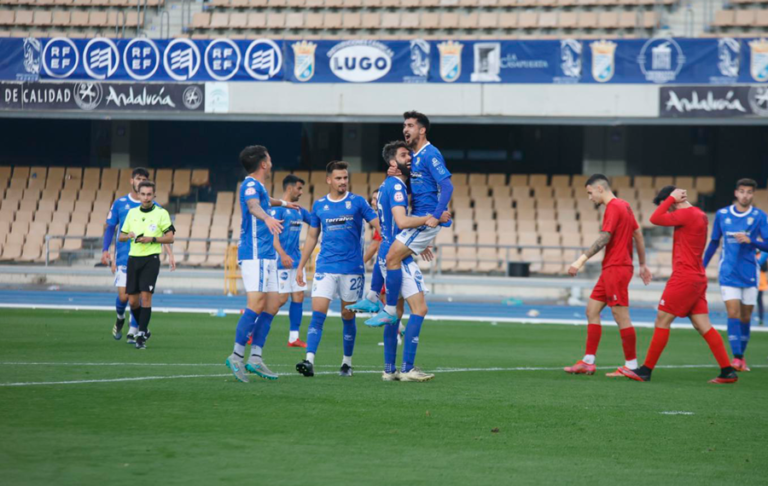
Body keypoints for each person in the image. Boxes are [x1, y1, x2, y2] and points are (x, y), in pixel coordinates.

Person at [619, 186, 738, 384]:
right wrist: (671, 200)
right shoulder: (699, 214)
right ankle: (727, 371)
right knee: (703, 326)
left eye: (670, 206)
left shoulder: (687, 214)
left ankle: (645, 371)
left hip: (684, 277)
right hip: (697, 277)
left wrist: (670, 199)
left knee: (662, 320)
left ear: (674, 202)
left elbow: (655, 219)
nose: (670, 212)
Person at [366, 141, 449, 381]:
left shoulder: (387, 184)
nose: (410, 158)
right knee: (419, 309)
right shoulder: (397, 186)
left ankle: (390, 370)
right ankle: (407, 369)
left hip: (390, 251)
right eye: (404, 155)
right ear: (393, 163)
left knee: (399, 312)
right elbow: (402, 222)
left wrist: (417, 242)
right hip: (397, 255)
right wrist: (431, 218)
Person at [366, 111, 453, 327]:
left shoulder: (430, 153)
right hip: (418, 219)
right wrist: (394, 171)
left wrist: (435, 216)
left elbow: (448, 185)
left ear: (422, 130)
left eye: (411, 125)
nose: (406, 129)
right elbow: (415, 184)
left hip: (425, 218)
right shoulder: (414, 156)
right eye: (404, 125)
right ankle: (374, 298)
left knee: (390, 254)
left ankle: (386, 307)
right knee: (386, 246)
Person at [294, 161, 380, 377]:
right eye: (339, 178)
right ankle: (309, 360)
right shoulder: (319, 205)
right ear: (329, 180)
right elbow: (312, 236)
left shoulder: (358, 202)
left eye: (345, 178)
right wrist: (301, 265)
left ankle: (346, 362)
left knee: (347, 315)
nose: (343, 181)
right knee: (318, 313)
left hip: (352, 269)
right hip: (326, 267)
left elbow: (378, 223)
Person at [224, 145, 300, 383]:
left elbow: (266, 201)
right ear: (264, 164)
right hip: (254, 254)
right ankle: (236, 356)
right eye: (270, 159)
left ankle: (255, 358)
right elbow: (254, 206)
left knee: (274, 304)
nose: (272, 163)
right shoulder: (249, 185)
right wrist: (267, 217)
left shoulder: (260, 188)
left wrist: (285, 205)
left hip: (267, 255)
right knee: (255, 304)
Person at [565, 174, 652, 376]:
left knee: (621, 316)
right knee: (591, 310)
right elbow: (637, 234)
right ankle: (588, 361)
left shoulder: (613, 207)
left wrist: (580, 261)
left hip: (617, 267)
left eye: (589, 193)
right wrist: (643, 264)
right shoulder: (625, 205)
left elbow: (605, 237)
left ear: (600, 189)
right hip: (613, 267)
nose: (589, 198)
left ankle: (631, 366)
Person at [102, 168, 175, 344]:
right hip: (124, 257)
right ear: (132, 181)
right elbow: (113, 229)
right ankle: (120, 317)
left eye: (144, 179)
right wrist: (107, 251)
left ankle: (136, 330)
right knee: (125, 297)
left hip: (148, 257)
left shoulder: (158, 210)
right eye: (138, 179)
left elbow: (164, 232)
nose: (140, 182)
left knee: (143, 296)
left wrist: (170, 253)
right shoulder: (121, 204)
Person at [703, 178, 768, 372]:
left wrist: (751, 241)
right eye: (742, 191)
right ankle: (737, 357)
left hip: (749, 272)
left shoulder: (759, 216)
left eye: (749, 192)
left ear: (753, 194)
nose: (745, 195)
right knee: (733, 313)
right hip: (728, 272)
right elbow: (714, 242)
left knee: (746, 317)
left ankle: (741, 355)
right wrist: (702, 266)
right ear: (736, 193)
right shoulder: (723, 215)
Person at [272, 174, 312, 348]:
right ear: (289, 188)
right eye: (299, 188)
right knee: (280, 299)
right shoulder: (278, 210)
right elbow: (272, 237)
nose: (301, 192)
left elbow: (316, 223)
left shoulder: (300, 211)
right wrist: (282, 254)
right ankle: (253, 326)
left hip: (296, 263)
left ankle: (293, 338)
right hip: (281, 262)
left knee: (298, 297)